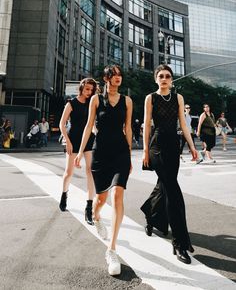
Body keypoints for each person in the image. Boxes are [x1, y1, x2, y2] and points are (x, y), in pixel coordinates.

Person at [74, 65, 133, 276]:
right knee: (101, 199)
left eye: (119, 75)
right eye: (114, 75)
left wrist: (130, 155)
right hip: (101, 153)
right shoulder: (96, 100)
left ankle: (112, 249)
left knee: (118, 194)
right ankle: (96, 216)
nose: (118, 78)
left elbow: (128, 128)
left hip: (120, 153)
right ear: (106, 78)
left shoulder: (127, 101)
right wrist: (80, 152)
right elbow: (89, 126)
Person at [141, 64, 198, 265]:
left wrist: (192, 146)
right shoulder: (151, 98)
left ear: (172, 80)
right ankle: (179, 243)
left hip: (174, 146)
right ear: (156, 79)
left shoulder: (178, 98)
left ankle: (150, 212)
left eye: (167, 76)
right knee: (173, 192)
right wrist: (145, 151)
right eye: (161, 76)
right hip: (157, 147)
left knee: (164, 186)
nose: (164, 79)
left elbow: (183, 123)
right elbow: (147, 125)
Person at [59, 78, 97, 224]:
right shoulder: (71, 103)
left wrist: (99, 133)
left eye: (91, 90)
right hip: (73, 140)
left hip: (89, 140)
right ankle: (64, 194)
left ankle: (89, 207)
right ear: (81, 88)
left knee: (90, 172)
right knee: (69, 173)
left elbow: (92, 125)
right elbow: (62, 124)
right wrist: (67, 141)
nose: (89, 92)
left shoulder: (92, 104)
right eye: (87, 89)